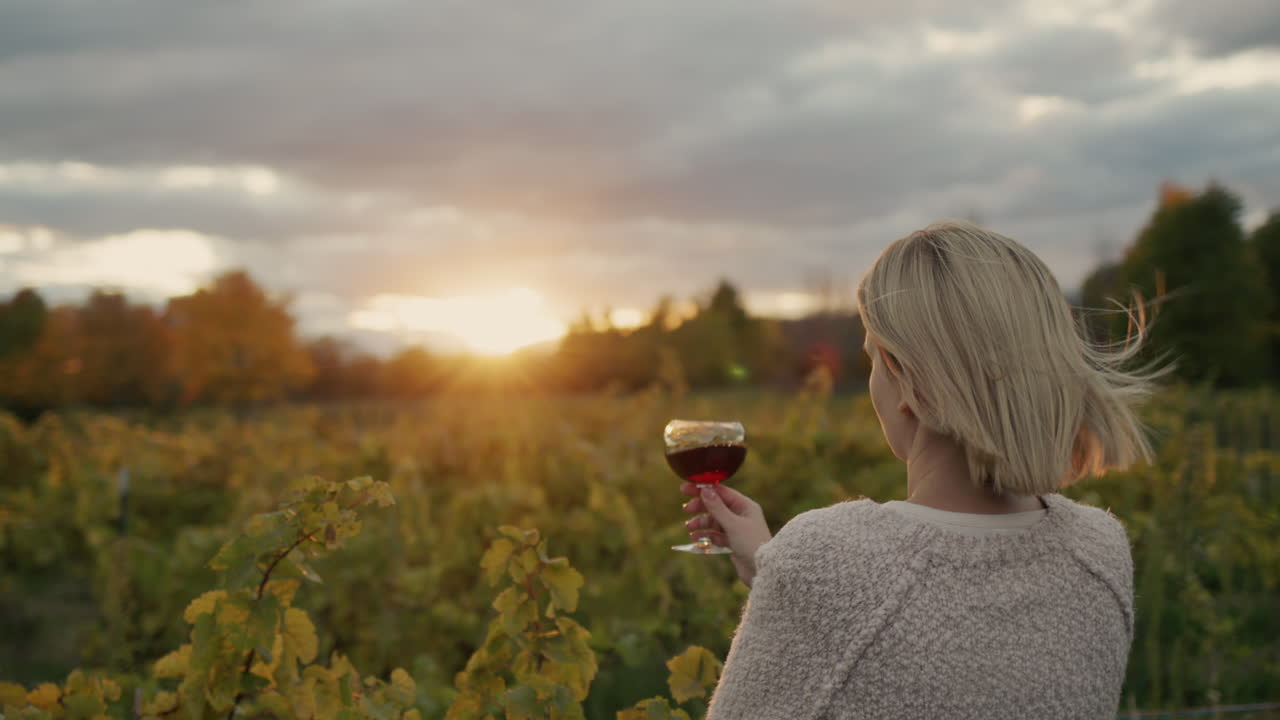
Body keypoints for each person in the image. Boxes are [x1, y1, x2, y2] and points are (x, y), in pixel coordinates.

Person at [680, 221, 1174, 719]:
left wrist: (794, 577)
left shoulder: (824, 558)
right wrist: (780, 578)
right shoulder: (1100, 552)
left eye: (874, 361)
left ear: (906, 378)